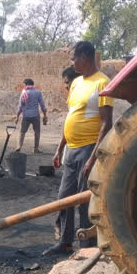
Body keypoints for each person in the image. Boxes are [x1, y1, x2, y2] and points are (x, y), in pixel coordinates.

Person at [44, 41, 113, 255]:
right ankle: (65, 242)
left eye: (73, 58)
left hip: (88, 149)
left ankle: (86, 248)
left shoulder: (103, 83)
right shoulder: (76, 83)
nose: (71, 62)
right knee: (64, 199)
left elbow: (106, 123)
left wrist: (93, 159)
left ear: (85, 56)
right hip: (71, 150)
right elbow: (71, 117)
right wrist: (59, 149)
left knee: (84, 202)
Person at [53, 65, 81, 241]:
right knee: (64, 195)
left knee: (82, 199)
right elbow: (68, 125)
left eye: (67, 83)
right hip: (71, 151)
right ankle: (64, 235)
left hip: (85, 151)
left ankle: (86, 241)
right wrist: (59, 149)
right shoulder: (73, 98)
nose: (65, 87)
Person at [14, 78, 47, 153]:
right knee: (37, 132)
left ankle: (19, 146)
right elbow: (42, 104)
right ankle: (36, 149)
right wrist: (45, 114)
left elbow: (20, 105)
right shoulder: (38, 92)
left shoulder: (23, 92)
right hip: (35, 115)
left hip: (26, 115)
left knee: (22, 131)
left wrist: (17, 117)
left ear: (26, 84)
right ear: (33, 84)